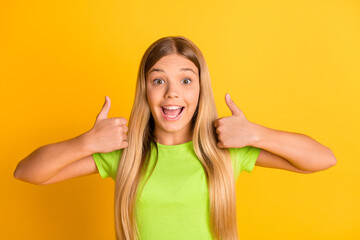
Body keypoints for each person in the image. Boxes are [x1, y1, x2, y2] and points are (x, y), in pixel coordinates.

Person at [13, 36, 337, 240]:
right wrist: (86, 142)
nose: (172, 93)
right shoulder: (125, 154)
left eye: (185, 80)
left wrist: (256, 133)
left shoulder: (224, 151)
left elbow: (323, 159)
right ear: (145, 90)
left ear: (200, 89)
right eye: (158, 81)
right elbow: (27, 172)